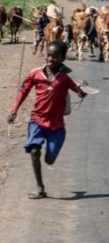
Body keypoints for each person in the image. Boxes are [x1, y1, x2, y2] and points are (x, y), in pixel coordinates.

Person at [7, 41, 87, 199]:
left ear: (63, 58)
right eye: (48, 55)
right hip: (37, 120)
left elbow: (80, 92)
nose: (50, 59)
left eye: (55, 57)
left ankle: (50, 157)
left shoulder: (64, 78)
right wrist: (13, 110)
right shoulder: (35, 74)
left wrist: (83, 89)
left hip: (56, 126)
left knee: (49, 159)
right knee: (35, 151)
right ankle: (40, 187)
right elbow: (22, 92)